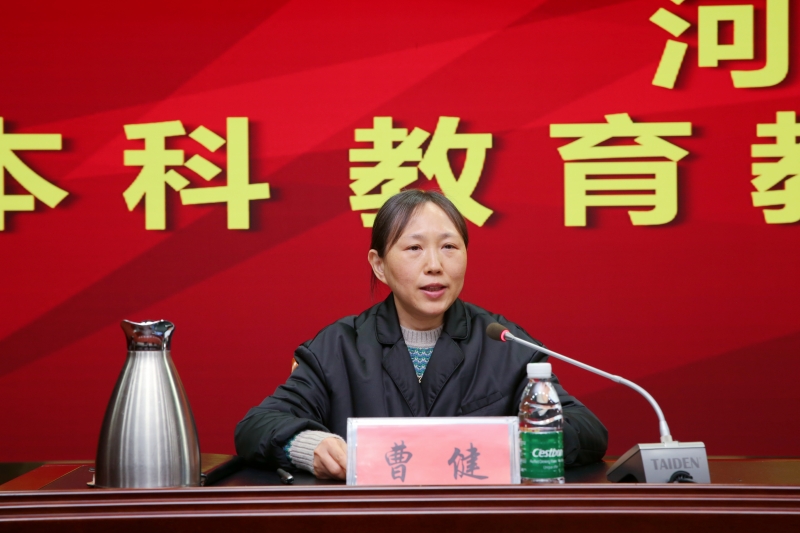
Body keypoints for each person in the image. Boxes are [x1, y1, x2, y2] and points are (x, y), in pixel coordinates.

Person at [235, 190, 607, 480]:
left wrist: (510, 444)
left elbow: (588, 430)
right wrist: (308, 445)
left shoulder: (504, 344)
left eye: (449, 247)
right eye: (414, 248)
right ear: (379, 265)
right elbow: (256, 426)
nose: (434, 265)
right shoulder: (338, 346)